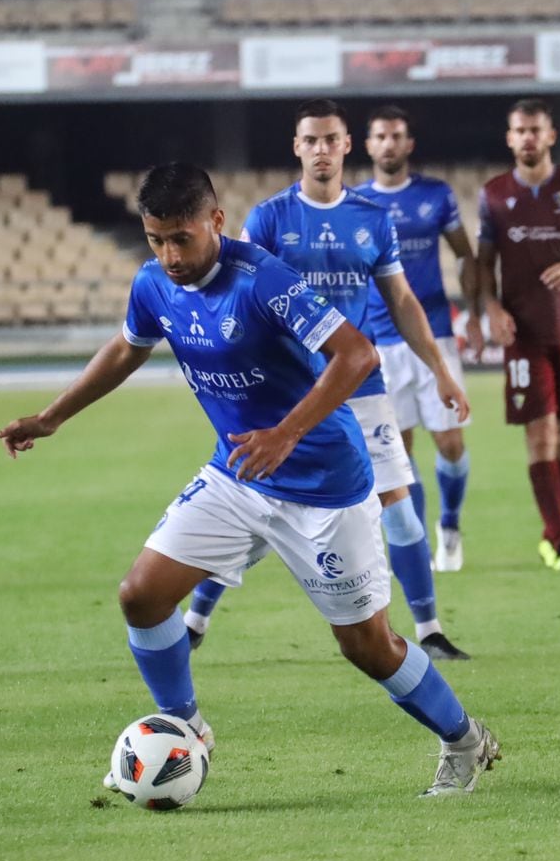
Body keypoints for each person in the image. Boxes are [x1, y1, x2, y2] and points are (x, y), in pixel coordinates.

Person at [0, 163, 498, 797]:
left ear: (215, 221)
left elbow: (358, 355)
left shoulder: (264, 280)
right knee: (141, 594)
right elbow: (127, 348)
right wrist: (51, 417)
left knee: (368, 646)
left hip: (324, 485)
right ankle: (185, 728)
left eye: (181, 238)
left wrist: (286, 433)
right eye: (155, 239)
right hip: (237, 476)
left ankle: (464, 740)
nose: (169, 255)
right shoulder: (153, 284)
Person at [180, 101, 474, 661]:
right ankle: (196, 618)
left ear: (346, 146)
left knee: (401, 506)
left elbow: (404, 302)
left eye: (330, 139)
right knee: (256, 505)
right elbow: (239, 297)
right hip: (286, 397)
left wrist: (441, 371)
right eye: (310, 140)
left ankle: (431, 630)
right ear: (297, 147)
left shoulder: (370, 219)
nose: (320, 149)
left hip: (360, 390)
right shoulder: (268, 219)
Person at [471, 98, 560, 570]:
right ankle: (558, 539)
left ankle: (553, 532)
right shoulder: (493, 194)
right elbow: (482, 264)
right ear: (509, 138)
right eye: (520, 130)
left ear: (551, 135)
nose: (528, 138)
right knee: (542, 432)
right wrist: (490, 307)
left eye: (536, 129)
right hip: (523, 332)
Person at [353, 105, 479, 572]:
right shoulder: (354, 204)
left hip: (436, 338)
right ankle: (422, 542)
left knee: (450, 443)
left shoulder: (436, 196)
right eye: (380, 136)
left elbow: (467, 256)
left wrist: (477, 313)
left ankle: (450, 525)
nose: (388, 143)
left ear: (409, 144)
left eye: (397, 136)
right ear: (368, 145)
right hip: (379, 344)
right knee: (399, 454)